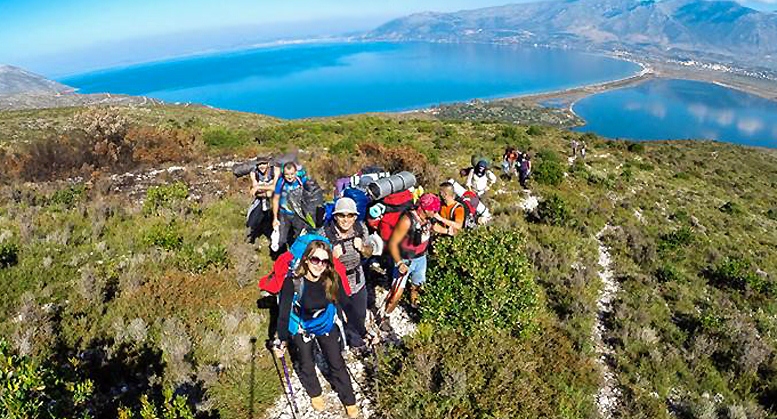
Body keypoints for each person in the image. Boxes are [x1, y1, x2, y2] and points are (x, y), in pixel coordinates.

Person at [274, 240, 358, 418]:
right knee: (306, 361)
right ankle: (315, 392)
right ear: (305, 259)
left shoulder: (332, 278)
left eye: (324, 261)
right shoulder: (293, 282)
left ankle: (349, 400)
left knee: (336, 362)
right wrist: (281, 340)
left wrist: (362, 330)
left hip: (325, 322)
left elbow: (347, 305)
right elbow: (283, 314)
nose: (320, 265)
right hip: (301, 326)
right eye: (315, 260)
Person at [323, 198, 374, 353]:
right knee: (336, 316)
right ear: (335, 216)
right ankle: (338, 344)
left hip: (357, 279)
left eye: (350, 216)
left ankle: (356, 341)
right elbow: (315, 264)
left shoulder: (361, 228)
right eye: (341, 216)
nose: (346, 220)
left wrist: (363, 248)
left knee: (359, 313)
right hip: (335, 282)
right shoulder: (325, 234)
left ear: (355, 216)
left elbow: (369, 253)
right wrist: (332, 257)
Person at [383, 194, 439, 318]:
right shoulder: (407, 221)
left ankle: (414, 309)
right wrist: (399, 263)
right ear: (425, 209)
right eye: (434, 210)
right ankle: (386, 315)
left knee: (418, 287)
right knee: (396, 294)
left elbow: (434, 228)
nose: (435, 213)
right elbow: (393, 243)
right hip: (405, 260)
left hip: (421, 258)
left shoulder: (429, 219)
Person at [272, 162, 308, 252]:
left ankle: (296, 256)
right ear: (283, 174)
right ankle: (281, 257)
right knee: (281, 239)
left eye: (292, 174)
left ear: (296, 172)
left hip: (298, 215)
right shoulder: (281, 182)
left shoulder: (301, 181)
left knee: (299, 237)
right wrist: (275, 218)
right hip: (284, 214)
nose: (290, 177)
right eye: (287, 174)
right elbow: (275, 199)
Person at [246, 156, 280, 244]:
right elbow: (254, 192)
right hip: (261, 200)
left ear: (268, 164)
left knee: (277, 221)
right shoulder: (254, 173)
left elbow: (274, 187)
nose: (261, 166)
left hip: (277, 200)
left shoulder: (275, 171)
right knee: (251, 222)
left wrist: (259, 187)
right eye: (259, 164)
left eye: (264, 164)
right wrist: (266, 192)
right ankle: (252, 237)